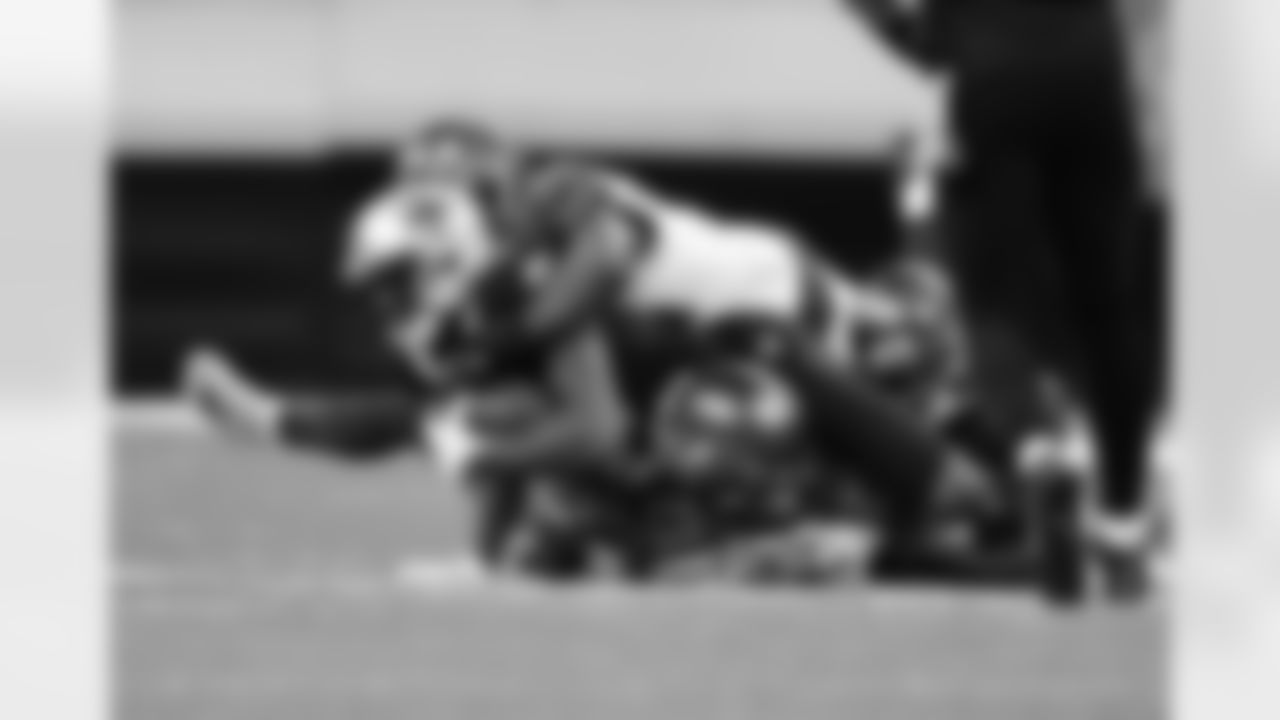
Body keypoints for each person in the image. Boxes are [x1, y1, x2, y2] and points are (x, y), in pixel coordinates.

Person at [841, 0, 1160, 600]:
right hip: (1093, 73)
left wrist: (872, 15)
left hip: (995, 82)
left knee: (994, 297)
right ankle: (1124, 522)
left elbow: (932, 47)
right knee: (1110, 309)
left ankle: (1042, 453)